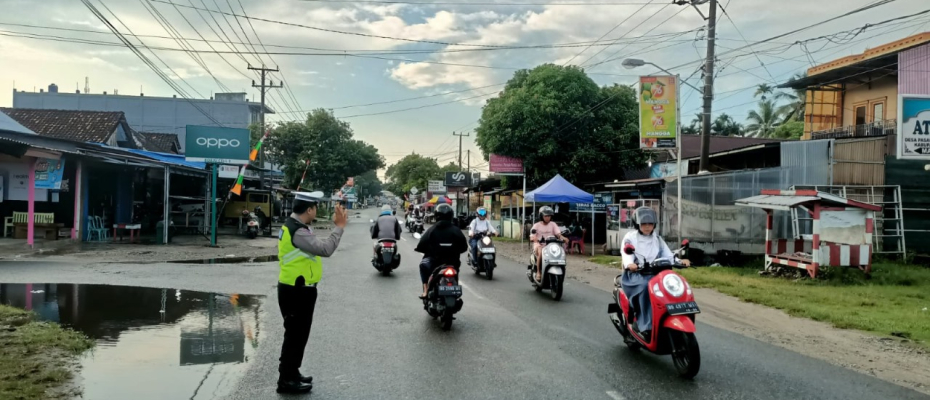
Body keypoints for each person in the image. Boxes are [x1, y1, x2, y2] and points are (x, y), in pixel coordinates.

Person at [275, 191, 348, 394]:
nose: (316, 211)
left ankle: (292, 372)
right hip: (296, 290)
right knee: (295, 336)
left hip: (297, 288)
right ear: (309, 209)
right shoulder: (297, 231)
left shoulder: (295, 226)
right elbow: (325, 249)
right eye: (315, 208)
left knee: (298, 335)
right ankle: (286, 380)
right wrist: (339, 227)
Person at [620, 207, 690, 341]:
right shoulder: (630, 237)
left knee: (672, 286)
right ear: (637, 224)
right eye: (644, 223)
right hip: (636, 274)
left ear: (654, 225)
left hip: (655, 273)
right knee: (646, 287)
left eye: (650, 223)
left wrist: (680, 261)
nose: (647, 226)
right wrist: (630, 264)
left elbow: (668, 255)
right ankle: (645, 326)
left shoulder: (657, 238)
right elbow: (626, 253)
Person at [414, 203, 467, 298]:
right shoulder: (456, 230)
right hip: (453, 262)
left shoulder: (432, 230)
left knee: (423, 266)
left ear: (436, 215)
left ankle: (425, 290)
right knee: (456, 270)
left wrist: (420, 249)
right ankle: (455, 287)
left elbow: (421, 245)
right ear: (451, 215)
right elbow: (464, 247)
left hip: (435, 262)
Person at [530, 206, 566, 281]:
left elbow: (558, 234)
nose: (547, 218)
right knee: (540, 251)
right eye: (546, 216)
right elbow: (532, 235)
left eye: (549, 216)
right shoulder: (536, 225)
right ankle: (538, 272)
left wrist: (564, 238)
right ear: (541, 216)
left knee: (560, 251)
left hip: (550, 246)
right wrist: (534, 238)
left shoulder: (553, 224)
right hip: (539, 245)